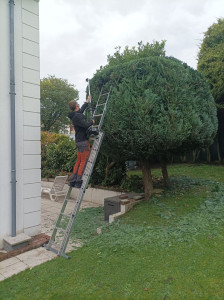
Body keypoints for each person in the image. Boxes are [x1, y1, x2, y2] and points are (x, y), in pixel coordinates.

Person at [68, 95, 94, 188]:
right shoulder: (78, 117)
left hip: (78, 141)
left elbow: (81, 111)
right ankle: (79, 181)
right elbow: (86, 125)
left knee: (78, 161)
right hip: (83, 141)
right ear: (76, 106)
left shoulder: (75, 115)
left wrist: (87, 101)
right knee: (83, 161)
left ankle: (73, 181)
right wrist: (91, 122)